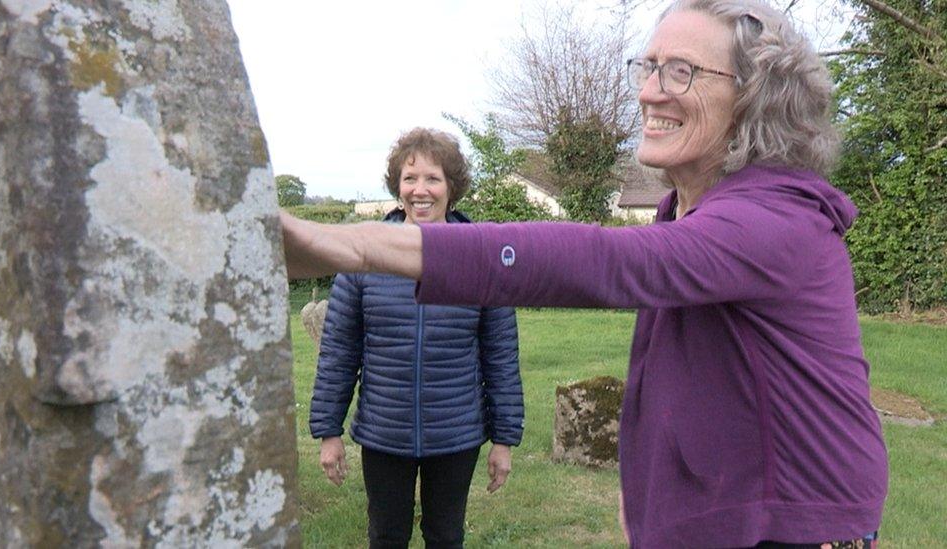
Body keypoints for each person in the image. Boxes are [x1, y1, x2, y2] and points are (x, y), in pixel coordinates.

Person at [283, 0, 888, 546]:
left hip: (798, 529)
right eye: (647, 67)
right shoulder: (686, 213)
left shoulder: (773, 219)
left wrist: (349, 245)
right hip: (725, 518)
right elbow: (684, 383)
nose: (651, 91)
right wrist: (649, 498)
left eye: (682, 71)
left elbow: (602, 262)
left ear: (758, 95)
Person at [308, 127, 524, 549]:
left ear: (451, 187)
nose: (420, 190)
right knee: (386, 537)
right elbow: (338, 352)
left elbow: (500, 357)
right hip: (384, 433)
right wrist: (328, 432)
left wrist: (504, 439)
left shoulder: (482, 258)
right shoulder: (364, 255)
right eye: (410, 179)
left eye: (432, 178)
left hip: (456, 435)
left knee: (445, 537)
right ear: (397, 186)